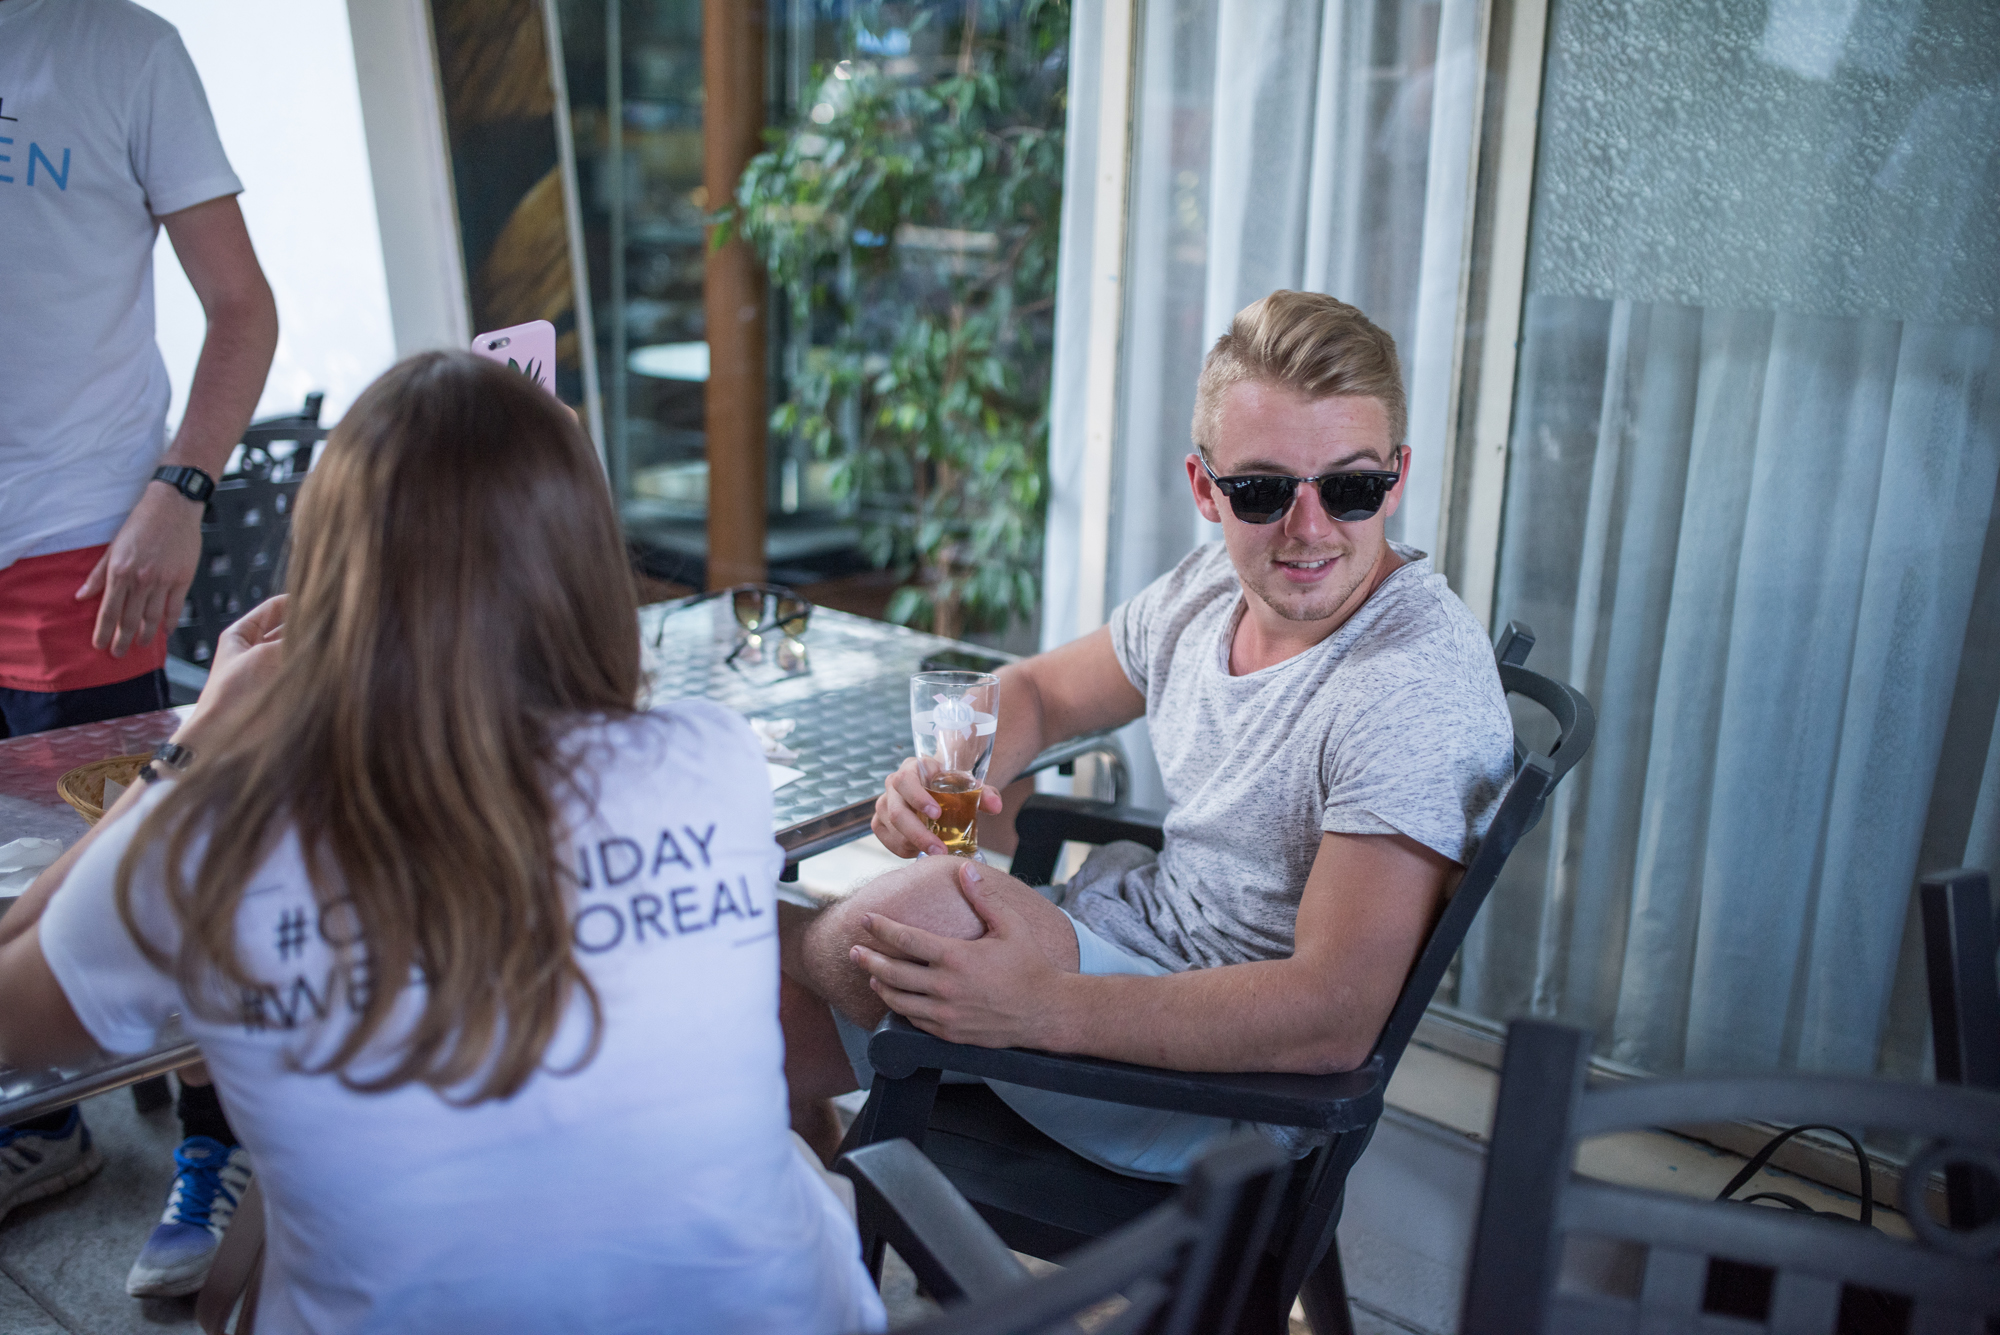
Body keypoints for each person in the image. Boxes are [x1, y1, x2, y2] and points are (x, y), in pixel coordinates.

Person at [0, 353, 886, 1334]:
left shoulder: (215, 834)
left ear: (329, 581)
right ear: (586, 567)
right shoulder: (708, 758)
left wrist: (196, 742)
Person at [779, 291, 1516, 1177]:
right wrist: (961, 770)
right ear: (1206, 488)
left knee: (908, 912)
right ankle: (814, 1176)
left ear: (1395, 478)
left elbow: (1332, 1014)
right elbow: (1043, 692)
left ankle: (752, 928)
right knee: (738, 1030)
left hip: (1223, 1091)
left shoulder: (1410, 686)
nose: (1309, 527)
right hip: (1124, 949)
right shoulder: (1210, 589)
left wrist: (1042, 1008)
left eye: (1351, 487)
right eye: (1262, 490)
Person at [0, 0, 279, 1288]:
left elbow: (242, 307)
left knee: (149, 855)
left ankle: (217, 1141)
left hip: (82, 537)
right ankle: (42, 1119)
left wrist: (180, 487)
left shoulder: (125, 48)